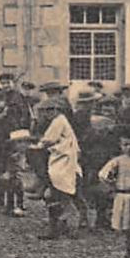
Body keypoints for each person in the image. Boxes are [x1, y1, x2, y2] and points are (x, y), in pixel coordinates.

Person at [31, 96, 83, 239]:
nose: (48, 113)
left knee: (58, 193)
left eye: (51, 110)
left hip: (64, 160)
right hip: (62, 158)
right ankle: (59, 227)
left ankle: (65, 227)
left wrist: (38, 145)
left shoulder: (59, 121)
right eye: (46, 111)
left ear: (57, 110)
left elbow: (49, 139)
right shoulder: (58, 122)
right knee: (55, 195)